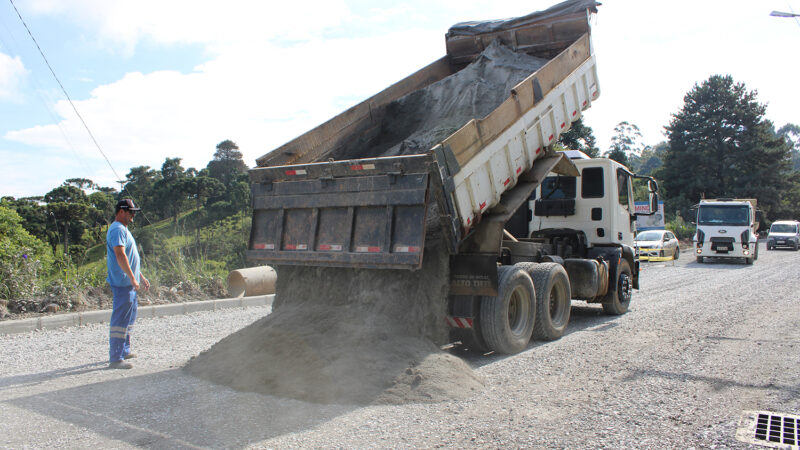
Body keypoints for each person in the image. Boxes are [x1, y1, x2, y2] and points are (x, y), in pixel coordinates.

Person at [106, 198, 150, 369]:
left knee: (129, 318)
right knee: (120, 319)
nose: (133, 216)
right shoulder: (117, 229)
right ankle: (115, 358)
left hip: (129, 283)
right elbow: (120, 255)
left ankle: (124, 350)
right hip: (123, 284)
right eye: (131, 212)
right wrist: (131, 277)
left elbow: (130, 259)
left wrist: (140, 276)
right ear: (121, 211)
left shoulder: (123, 229)